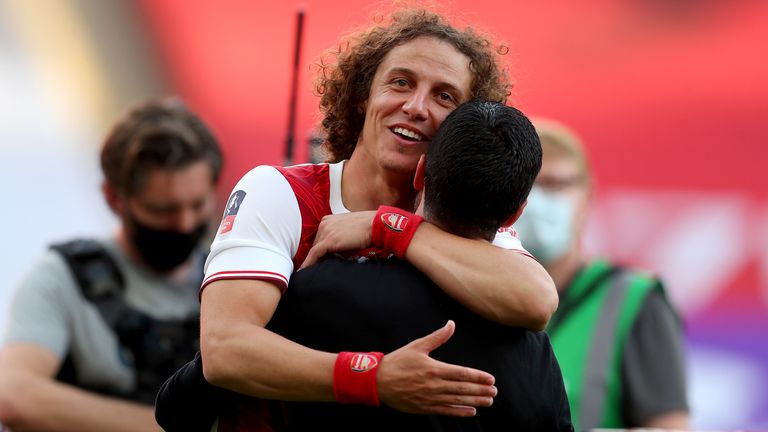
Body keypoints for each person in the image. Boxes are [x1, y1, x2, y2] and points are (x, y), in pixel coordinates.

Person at [183, 6, 557, 430]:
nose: (416, 107)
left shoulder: (464, 218)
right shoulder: (281, 192)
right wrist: (373, 378)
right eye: (400, 82)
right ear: (363, 94)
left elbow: (536, 302)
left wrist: (387, 228)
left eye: (444, 96)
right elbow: (225, 350)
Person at [0, 98, 222, 432]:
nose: (184, 223)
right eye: (163, 209)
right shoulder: (60, 279)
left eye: (197, 204)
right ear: (113, 198)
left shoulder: (231, 278)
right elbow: (14, 395)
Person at [513, 118, 689, 430]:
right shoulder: (474, 295)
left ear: (587, 196)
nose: (538, 201)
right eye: (527, 185)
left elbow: (671, 427)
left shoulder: (635, 300)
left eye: (555, 185)